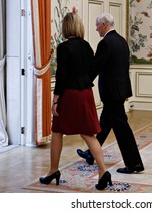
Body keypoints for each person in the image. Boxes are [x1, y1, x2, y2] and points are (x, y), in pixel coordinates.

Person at [39, 12, 111, 190]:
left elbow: (62, 76)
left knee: (57, 131)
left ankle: (53, 170)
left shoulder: (64, 47)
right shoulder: (87, 46)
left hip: (70, 94)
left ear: (65, 27)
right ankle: (103, 171)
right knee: (88, 133)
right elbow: (92, 69)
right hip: (86, 93)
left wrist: (55, 100)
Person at [76, 13, 144, 174]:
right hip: (120, 90)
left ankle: (134, 163)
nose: (96, 28)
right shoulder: (121, 41)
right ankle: (91, 153)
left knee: (122, 128)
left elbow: (96, 67)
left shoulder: (106, 42)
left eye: (97, 25)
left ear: (104, 24)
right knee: (104, 123)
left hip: (112, 92)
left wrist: (82, 84)